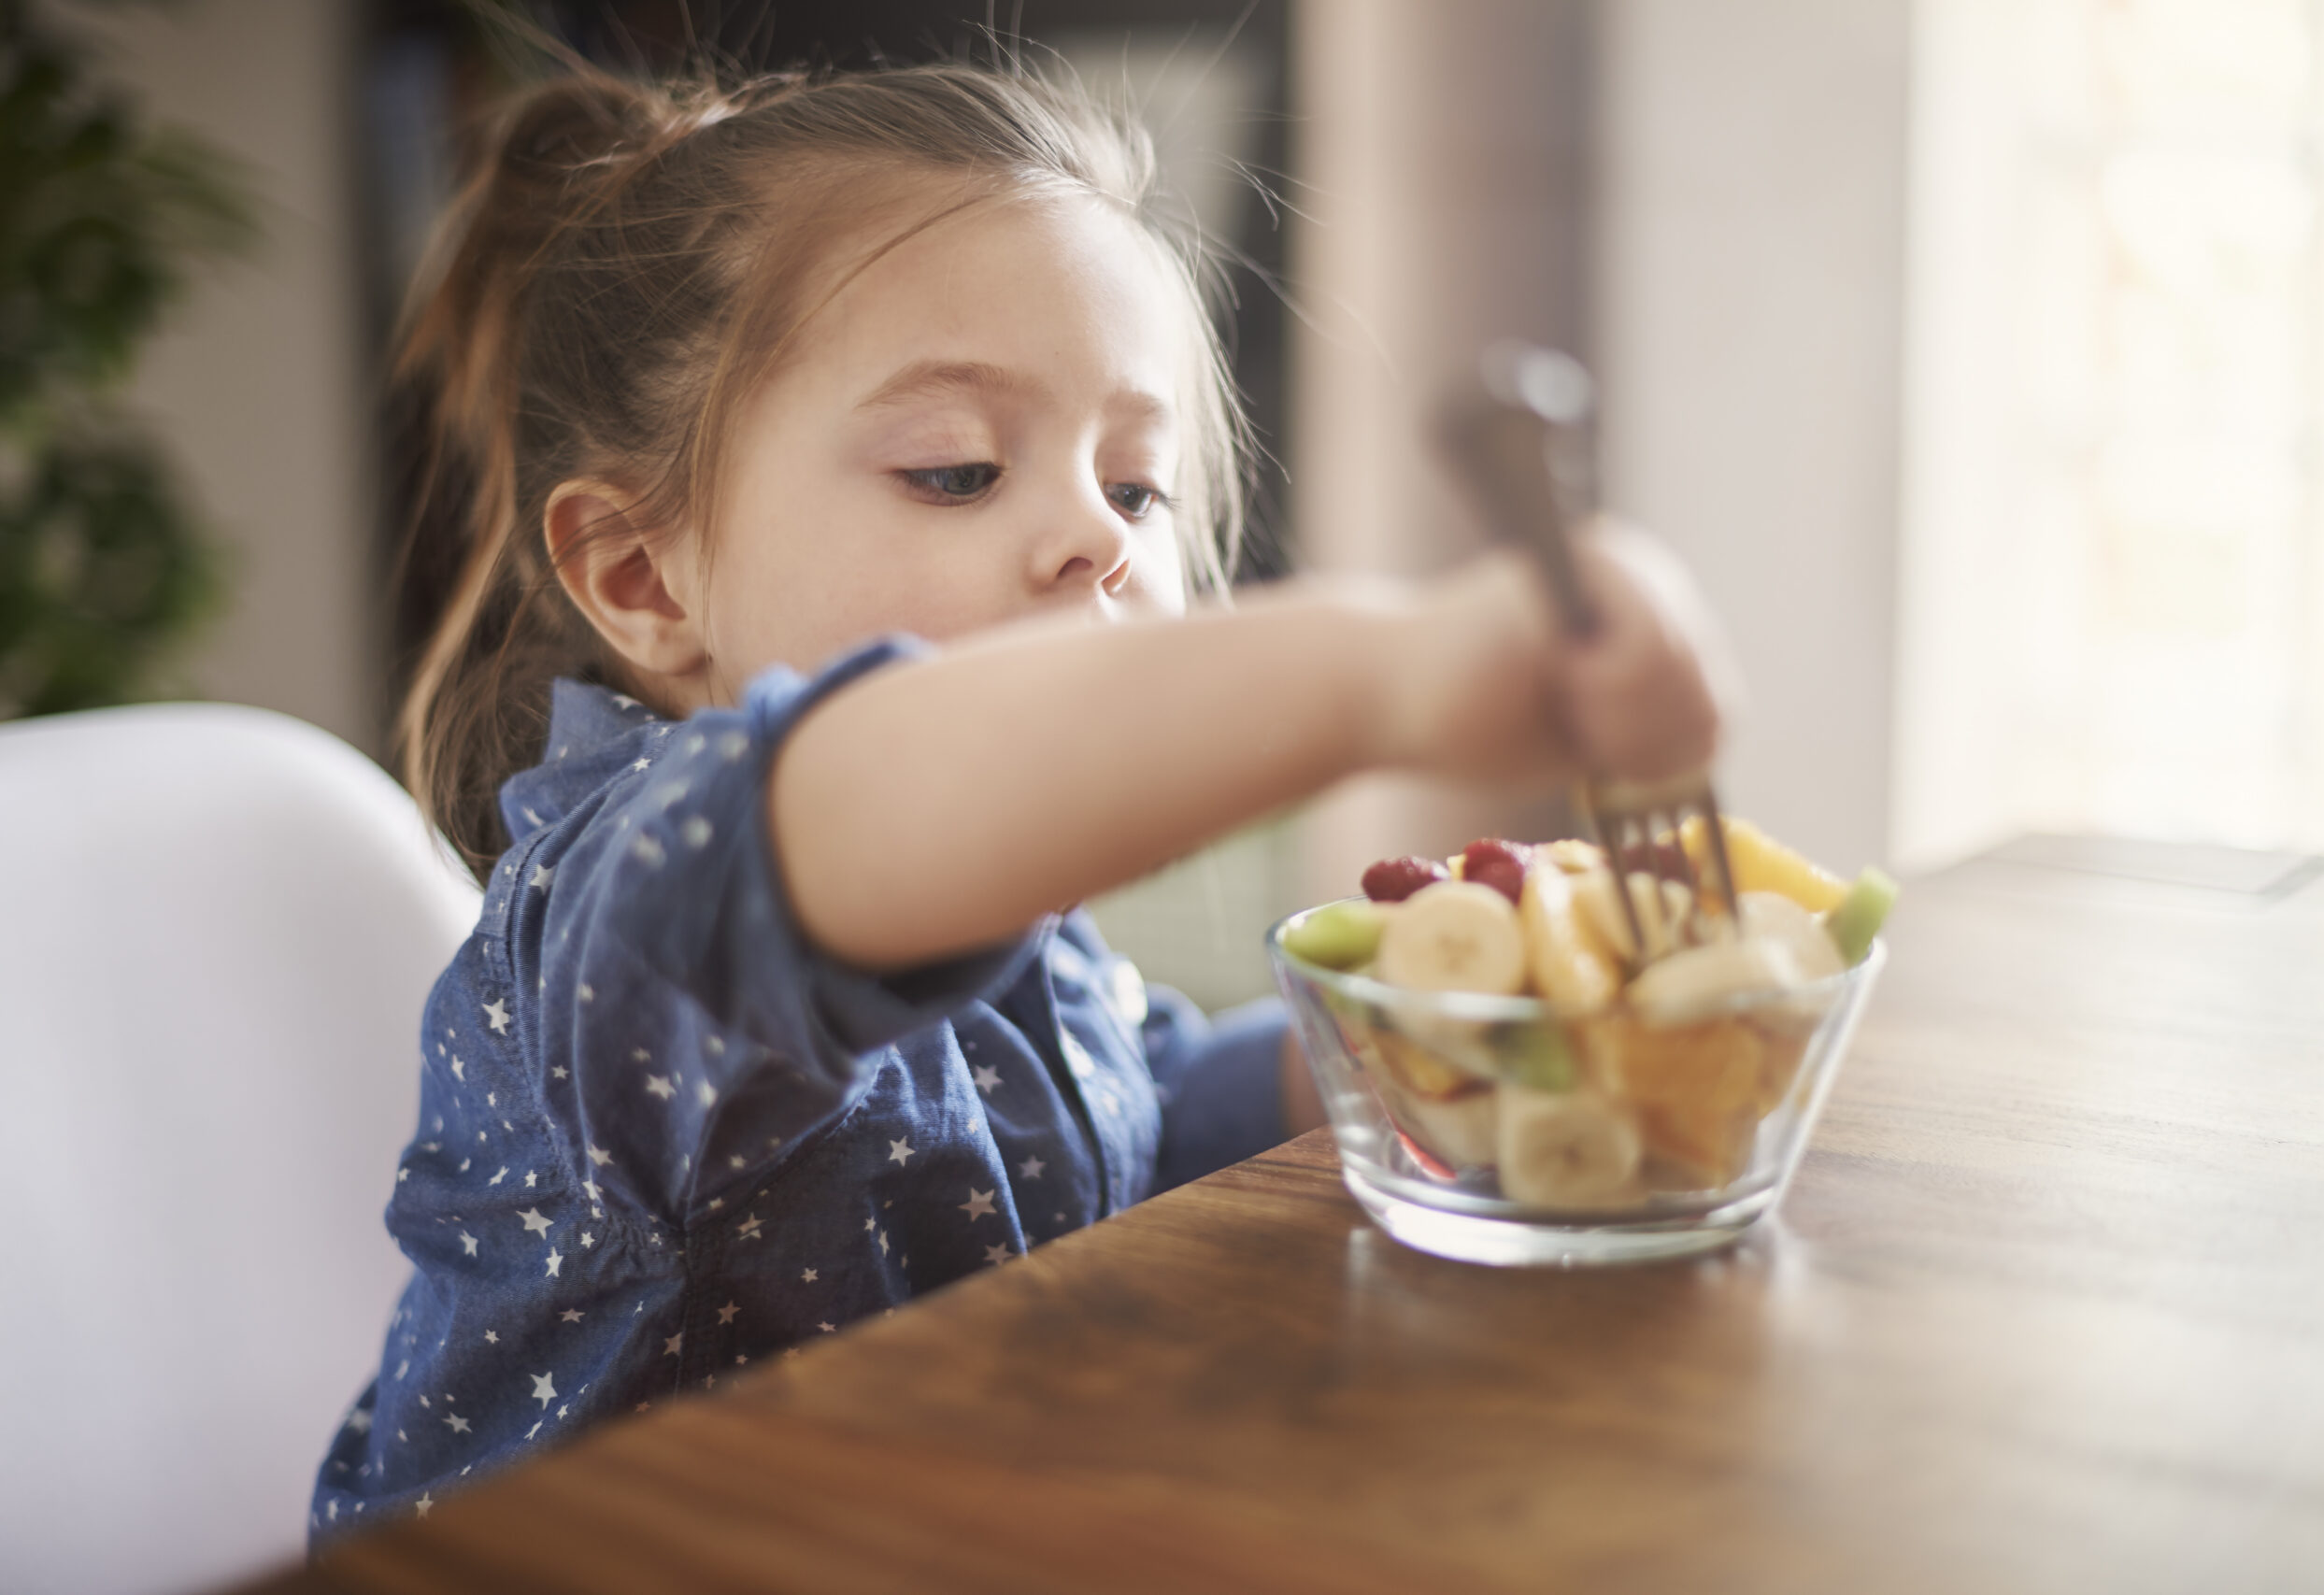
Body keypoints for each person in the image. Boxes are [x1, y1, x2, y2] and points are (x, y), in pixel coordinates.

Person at [310, 56, 1732, 1541]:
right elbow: (874, 787)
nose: (1091, 539)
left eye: (1137, 487)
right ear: (641, 576)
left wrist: (1396, 1047)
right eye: (957, 470)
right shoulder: (637, 914)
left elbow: (1120, 1121)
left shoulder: (1004, 909)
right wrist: (1393, 669)